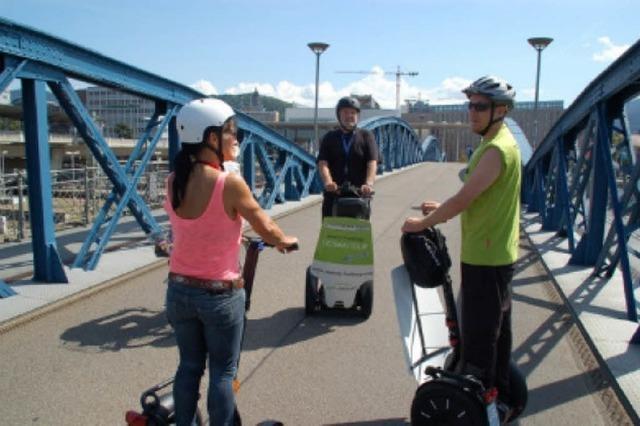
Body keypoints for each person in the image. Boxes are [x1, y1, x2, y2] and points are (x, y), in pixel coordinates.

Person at [164, 98, 298, 426]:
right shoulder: (229, 183)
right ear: (211, 138)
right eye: (229, 131)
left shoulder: (172, 181)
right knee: (223, 373)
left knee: (189, 367)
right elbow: (264, 225)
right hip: (218, 294)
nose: (235, 138)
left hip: (178, 290)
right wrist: (284, 241)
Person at [401, 76, 521, 414]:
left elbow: (465, 198)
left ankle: (480, 407)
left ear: (501, 110)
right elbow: (479, 195)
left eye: (480, 106)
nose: (472, 112)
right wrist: (439, 206)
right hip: (495, 251)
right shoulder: (495, 142)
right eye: (470, 105)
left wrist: (424, 223)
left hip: (486, 256)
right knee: (497, 333)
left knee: (480, 339)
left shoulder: (497, 149)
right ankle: (503, 398)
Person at [317, 96, 379, 218]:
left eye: (353, 113)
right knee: (331, 233)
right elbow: (323, 163)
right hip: (334, 193)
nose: (349, 115)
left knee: (358, 235)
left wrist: (369, 184)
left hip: (359, 194)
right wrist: (328, 182)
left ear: (357, 116)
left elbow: (372, 162)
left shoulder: (366, 136)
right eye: (345, 112)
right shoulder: (330, 137)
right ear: (339, 115)